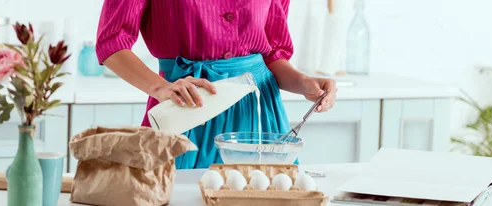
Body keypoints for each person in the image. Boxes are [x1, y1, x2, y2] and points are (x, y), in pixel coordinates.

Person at [96, 0, 338, 169]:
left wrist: (303, 82)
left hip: (257, 117)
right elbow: (111, 43)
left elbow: (271, 55)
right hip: (187, 108)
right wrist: (160, 88)